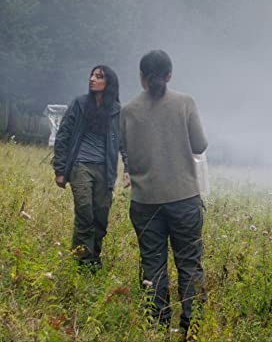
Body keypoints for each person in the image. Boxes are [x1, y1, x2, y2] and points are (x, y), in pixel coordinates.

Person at [121, 50, 208, 336]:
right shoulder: (185, 103)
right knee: (189, 263)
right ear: (169, 75)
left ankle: (157, 327)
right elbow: (199, 145)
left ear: (141, 76)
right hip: (183, 197)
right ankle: (191, 327)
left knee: (153, 266)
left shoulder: (128, 110)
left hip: (145, 200)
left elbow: (127, 152)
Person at [52, 65, 126, 270]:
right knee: (85, 213)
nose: (92, 79)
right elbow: (63, 135)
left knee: (100, 216)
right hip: (80, 165)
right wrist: (60, 170)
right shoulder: (80, 104)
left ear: (109, 83)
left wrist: (128, 167)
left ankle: (94, 258)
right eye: (92, 75)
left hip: (105, 169)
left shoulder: (116, 111)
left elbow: (123, 141)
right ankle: (83, 263)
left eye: (99, 76)